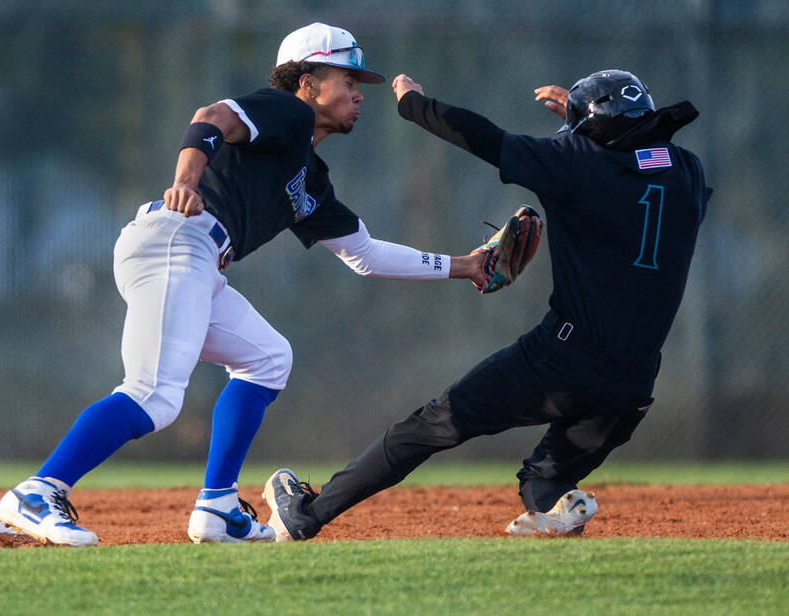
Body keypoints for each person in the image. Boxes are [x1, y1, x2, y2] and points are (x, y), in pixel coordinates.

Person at [0, 23, 502, 546]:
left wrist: (465, 265)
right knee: (154, 396)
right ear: (306, 81)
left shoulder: (310, 176)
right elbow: (211, 118)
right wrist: (187, 181)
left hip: (198, 259)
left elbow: (366, 255)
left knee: (268, 358)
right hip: (180, 239)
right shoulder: (288, 111)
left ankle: (217, 508)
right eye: (346, 78)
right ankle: (38, 491)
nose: (357, 93)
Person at [263, 69, 712, 539]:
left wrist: (415, 104)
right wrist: (588, 121)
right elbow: (641, 162)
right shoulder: (687, 170)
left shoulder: (576, 161)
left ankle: (307, 515)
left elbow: (487, 139)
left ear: (590, 129)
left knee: (430, 425)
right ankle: (556, 507)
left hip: (563, 358)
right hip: (634, 384)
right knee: (545, 479)